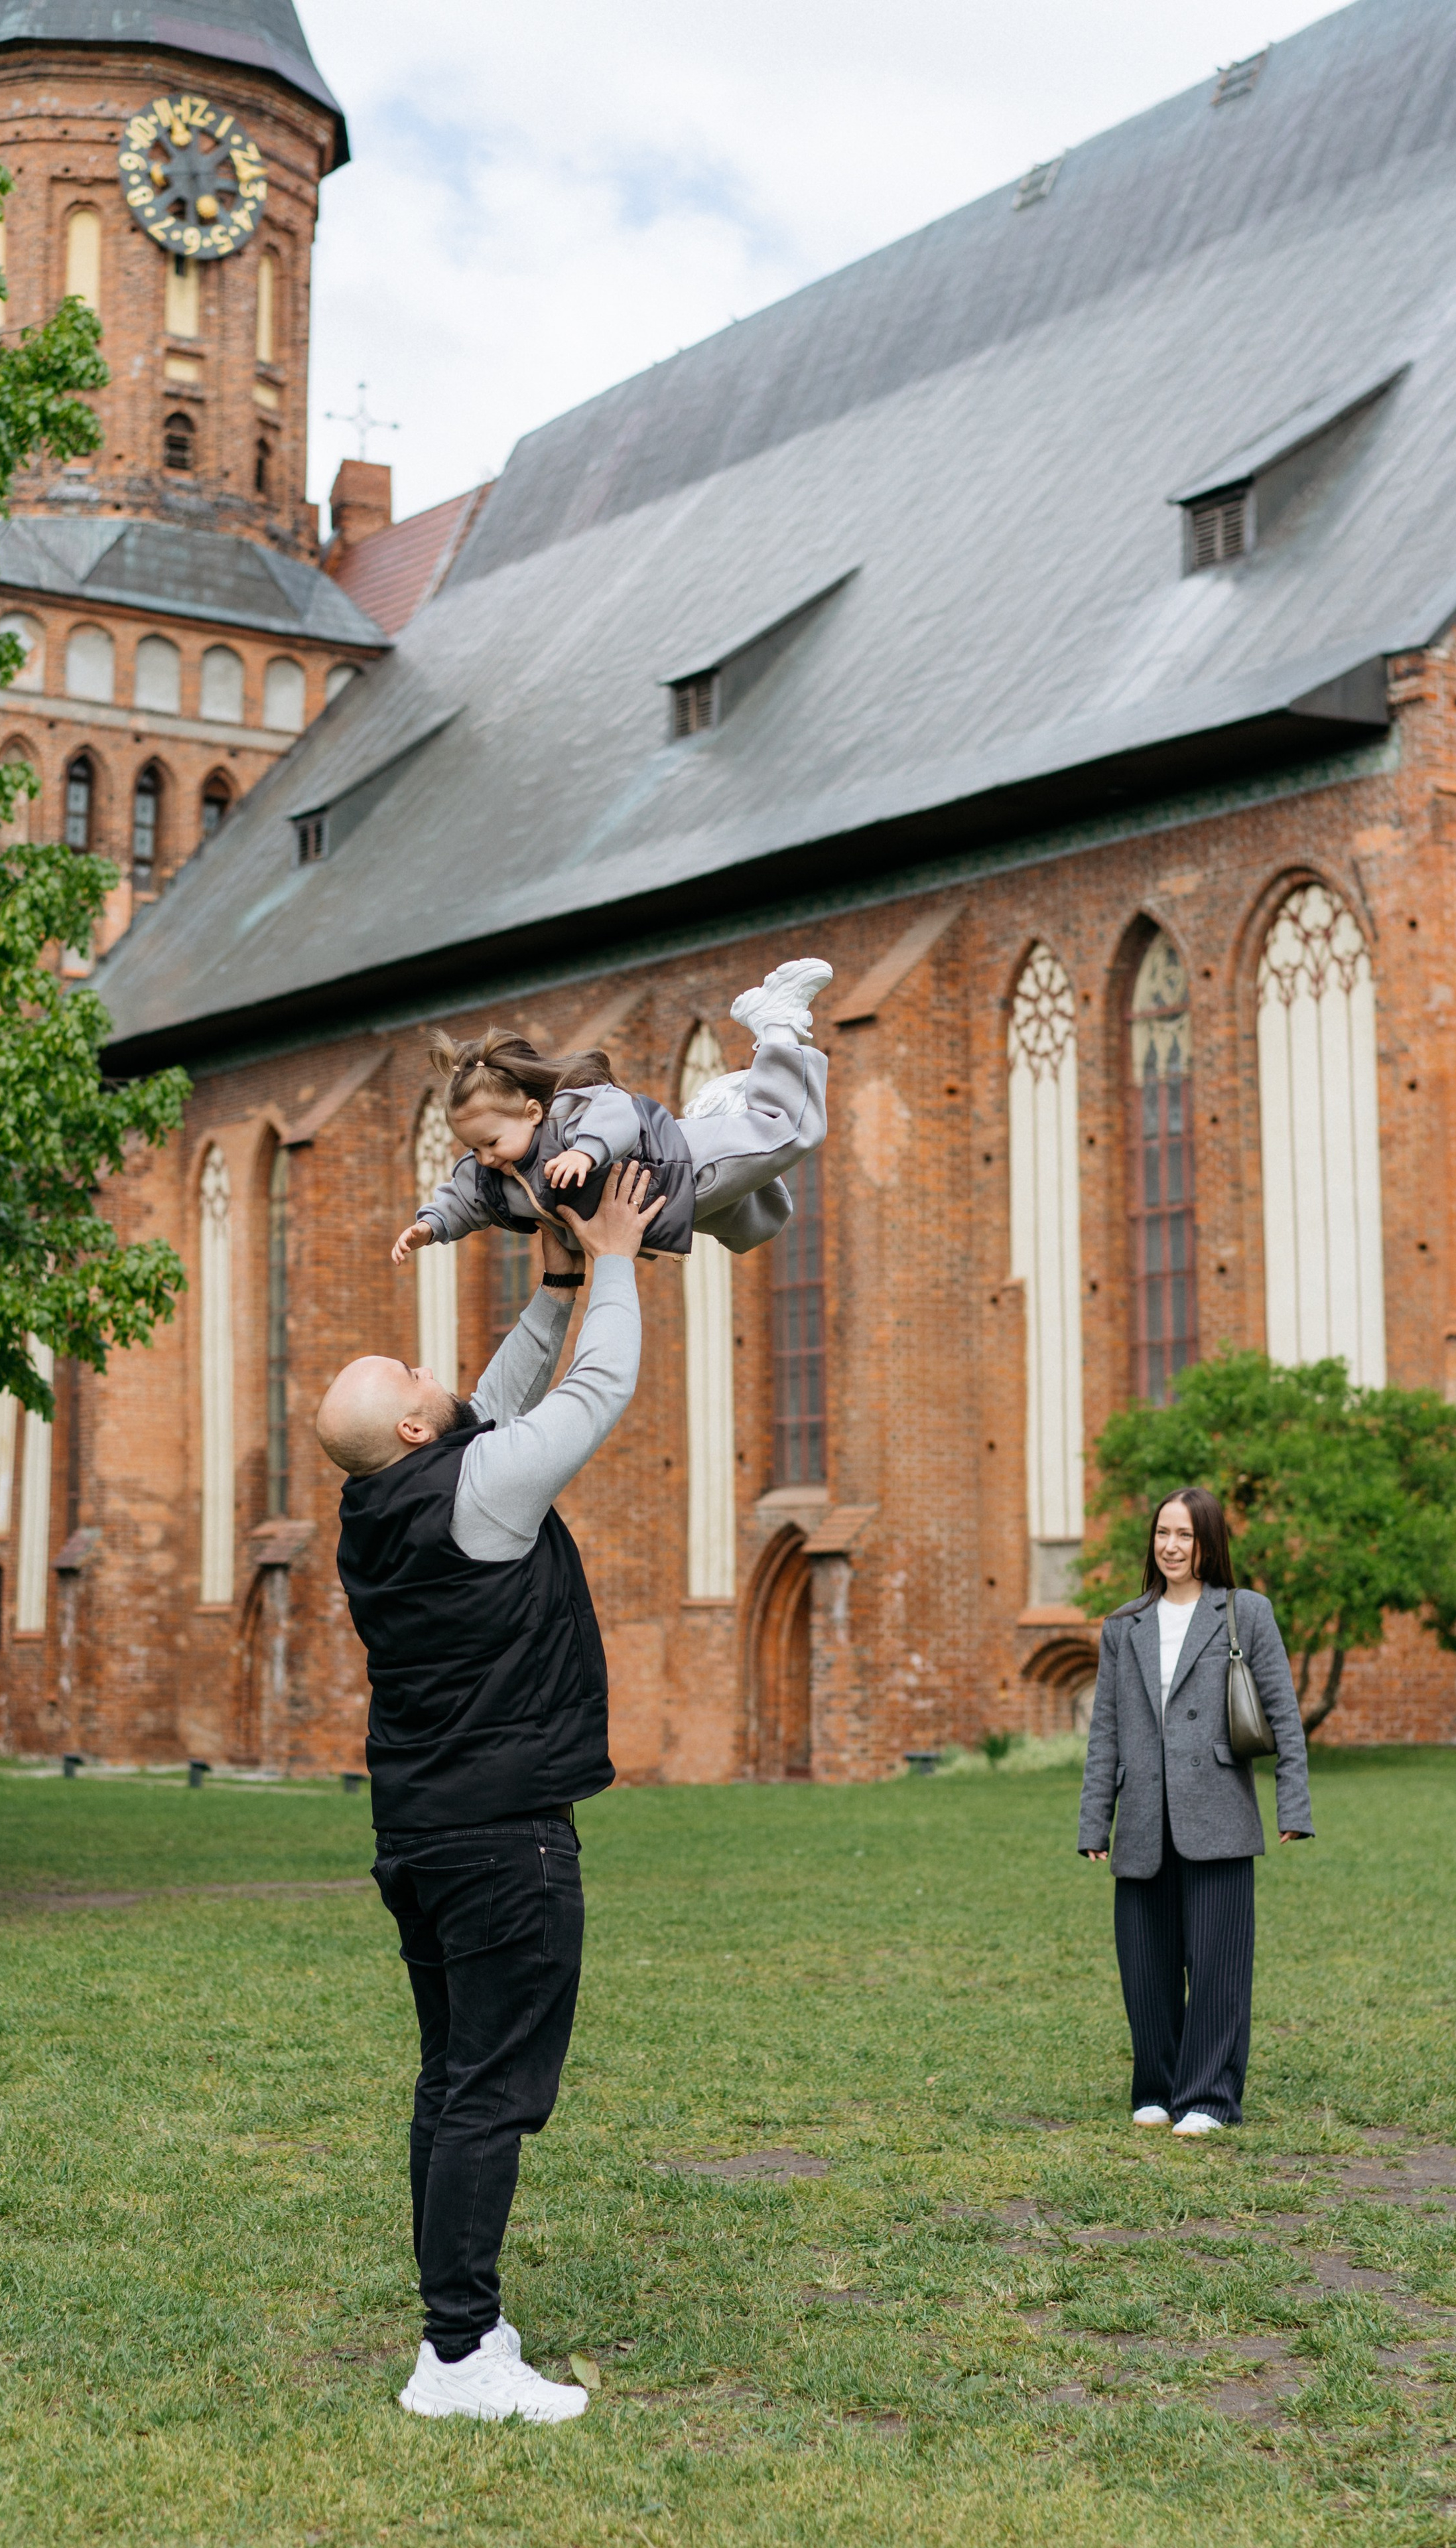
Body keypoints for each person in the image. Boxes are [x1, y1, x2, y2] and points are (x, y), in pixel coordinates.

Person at [316, 1164, 664, 2423]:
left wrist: (554, 1275)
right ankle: (459, 2357)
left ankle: (455, 2337)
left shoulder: (380, 1505)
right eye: (412, 1379)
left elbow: (494, 1399)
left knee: (450, 2079)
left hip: (420, 1835)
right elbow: (595, 1390)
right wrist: (618, 1255)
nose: (428, 1372)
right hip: (501, 1838)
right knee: (491, 2093)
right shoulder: (480, 1490)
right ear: (413, 1429)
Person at [1076, 1486, 1313, 2137]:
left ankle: (1208, 2096)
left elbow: (1283, 1717)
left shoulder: (1246, 1612)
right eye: (1162, 1534)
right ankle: (1155, 2087)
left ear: (1208, 1542)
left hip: (1220, 1814)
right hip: (1144, 1823)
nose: (1171, 1547)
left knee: (1216, 1966)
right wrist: (1094, 1818)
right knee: (1146, 1964)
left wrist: (1292, 1802)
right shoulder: (1123, 1626)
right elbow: (1105, 1731)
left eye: (1184, 1535)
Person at [389, 956, 832, 1266]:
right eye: (474, 1147)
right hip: (662, 1210)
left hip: (676, 1167)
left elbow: (617, 1110)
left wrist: (586, 1151)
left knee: (789, 1130)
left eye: (491, 1143)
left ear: (530, 1113)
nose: (485, 1157)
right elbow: (462, 1201)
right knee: (757, 1225)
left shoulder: (566, 1117)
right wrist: (430, 1227)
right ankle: (720, 1114)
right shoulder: (490, 1176)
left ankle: (776, 1026)